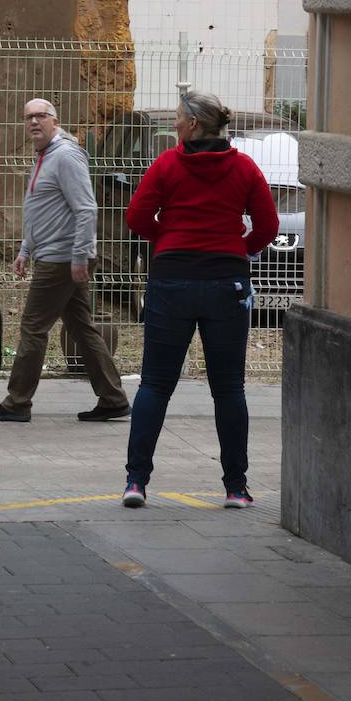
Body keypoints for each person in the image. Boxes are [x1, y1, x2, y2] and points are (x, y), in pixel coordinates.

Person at [122, 89, 279, 510]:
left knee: (155, 383)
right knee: (228, 388)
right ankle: (235, 487)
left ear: (192, 124)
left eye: (177, 118)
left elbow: (137, 216)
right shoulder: (245, 168)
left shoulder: (167, 165)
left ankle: (136, 482)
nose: (173, 124)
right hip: (225, 281)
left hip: (171, 279)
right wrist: (240, 245)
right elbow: (267, 223)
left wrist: (168, 239)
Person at [0, 98, 130, 424]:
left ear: (54, 120)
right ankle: (113, 397)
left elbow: (86, 209)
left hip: (61, 259)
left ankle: (17, 402)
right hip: (53, 255)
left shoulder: (65, 156)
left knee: (33, 328)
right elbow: (40, 209)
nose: (34, 122)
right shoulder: (44, 157)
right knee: (81, 327)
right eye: (29, 117)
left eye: (41, 116)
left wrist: (79, 256)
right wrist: (25, 249)